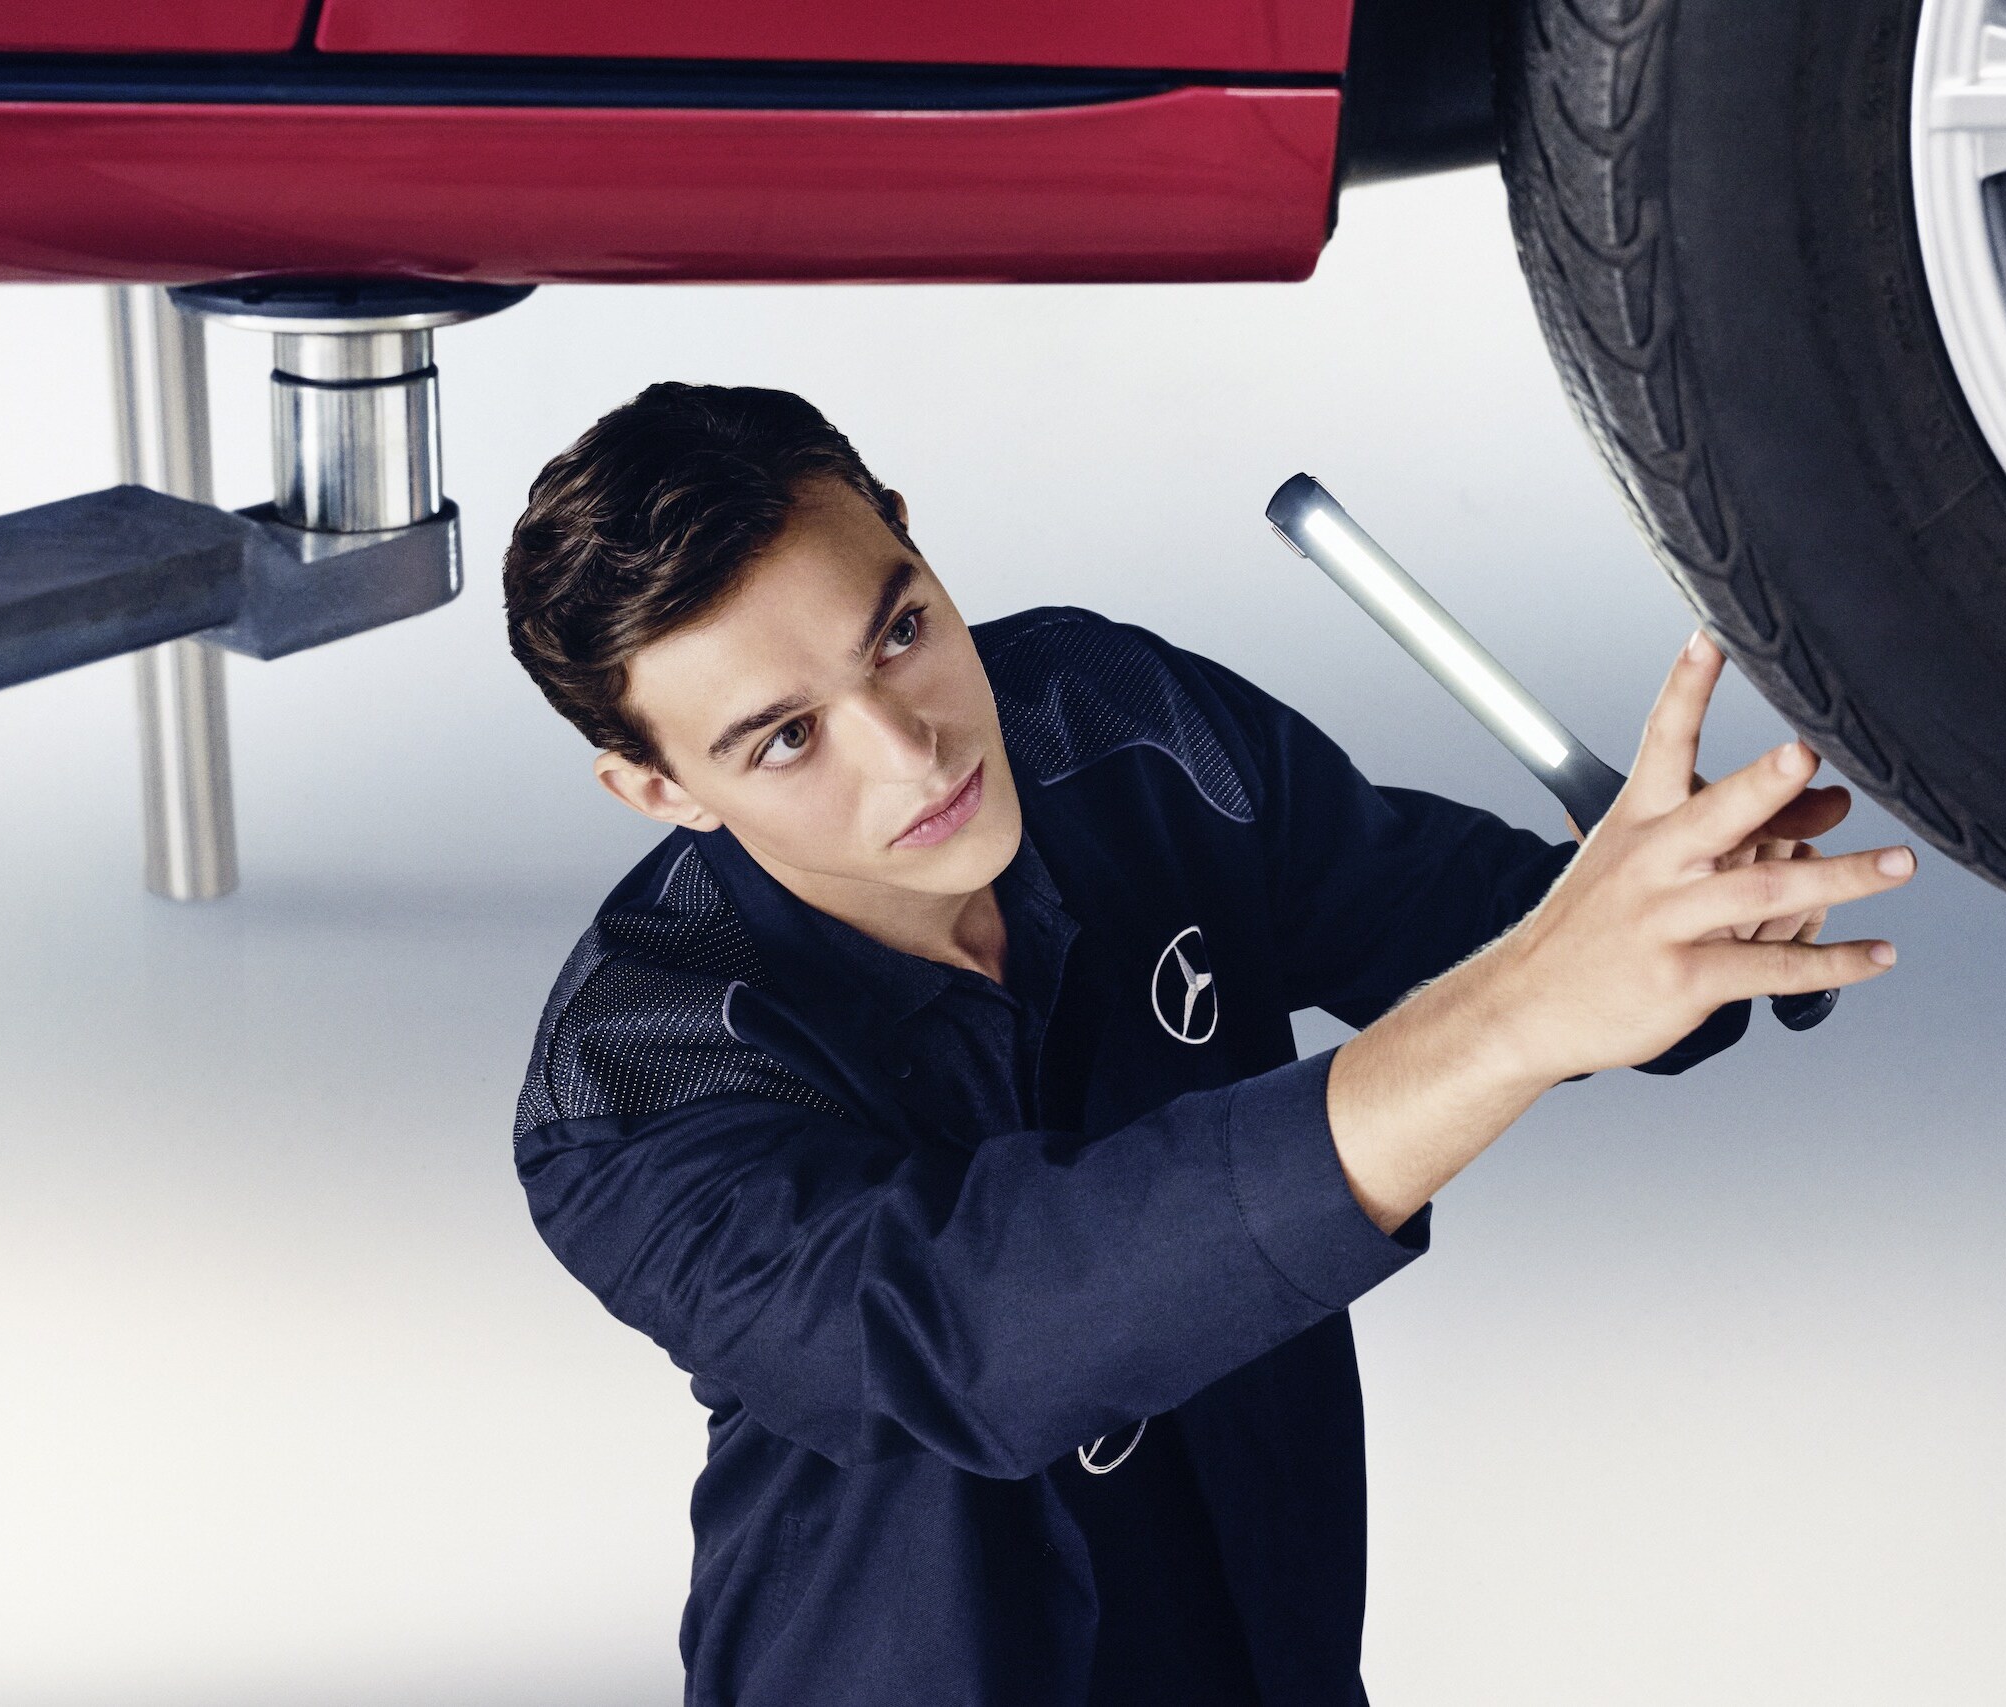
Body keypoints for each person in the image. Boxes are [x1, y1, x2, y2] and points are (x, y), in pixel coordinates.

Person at [499, 383, 1913, 1707]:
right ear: (654, 787)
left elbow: (1458, 924)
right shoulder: (627, 1082)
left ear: (915, 543)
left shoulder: (1115, 721)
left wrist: (1686, 906)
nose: (913, 751)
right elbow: (974, 1330)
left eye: (902, 633)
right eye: (788, 740)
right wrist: (1539, 996)